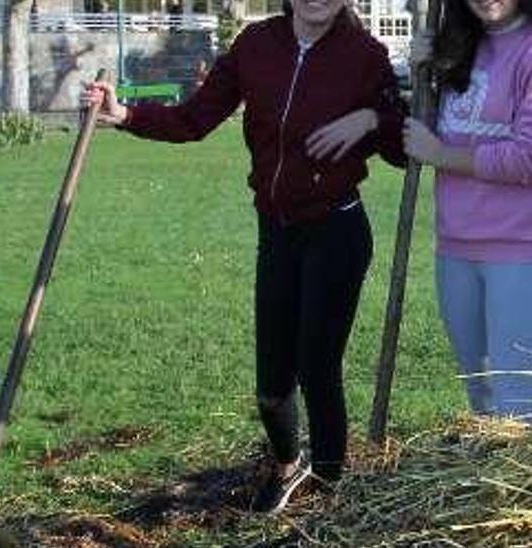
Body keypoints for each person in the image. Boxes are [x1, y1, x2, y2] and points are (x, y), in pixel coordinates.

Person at [80, 0, 406, 513]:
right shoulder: (257, 45)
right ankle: (286, 465)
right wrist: (123, 114)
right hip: (277, 230)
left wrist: (369, 118)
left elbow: (402, 148)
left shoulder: (365, 55)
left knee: (318, 367)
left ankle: (329, 488)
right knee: (272, 384)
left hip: (337, 229)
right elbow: (194, 119)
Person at [402, 0, 532, 427]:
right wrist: (424, 76)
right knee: (482, 394)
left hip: (528, 244)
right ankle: (493, 490)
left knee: (519, 400)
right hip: (457, 241)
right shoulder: (461, 45)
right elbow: (436, 130)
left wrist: (442, 156)